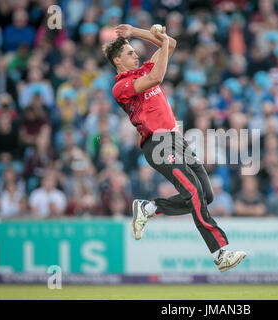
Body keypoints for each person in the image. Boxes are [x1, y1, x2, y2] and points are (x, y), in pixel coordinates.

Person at [102, 24, 246, 272]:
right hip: (157, 143)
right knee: (193, 192)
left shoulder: (146, 68)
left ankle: (149, 208)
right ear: (117, 61)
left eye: (135, 52)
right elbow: (157, 76)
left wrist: (137, 32)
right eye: (129, 53)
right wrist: (162, 39)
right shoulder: (121, 86)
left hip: (177, 140)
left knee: (205, 195)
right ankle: (220, 252)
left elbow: (173, 44)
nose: (136, 55)